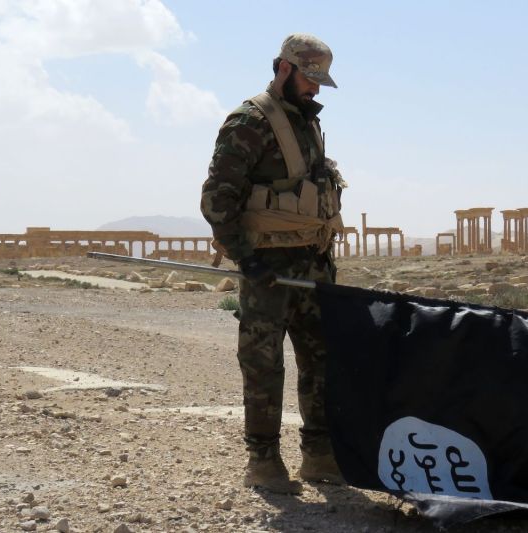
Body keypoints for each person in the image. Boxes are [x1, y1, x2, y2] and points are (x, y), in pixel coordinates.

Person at [200, 33, 345, 494]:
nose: (315, 89)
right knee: (263, 364)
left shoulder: (307, 122)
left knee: (321, 361)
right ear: (283, 68)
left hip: (313, 265)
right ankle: (263, 460)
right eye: (309, 78)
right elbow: (218, 197)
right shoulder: (249, 121)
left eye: (320, 80)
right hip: (267, 267)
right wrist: (246, 258)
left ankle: (319, 455)